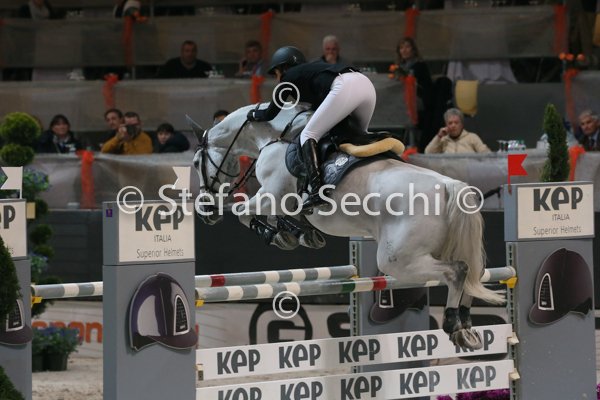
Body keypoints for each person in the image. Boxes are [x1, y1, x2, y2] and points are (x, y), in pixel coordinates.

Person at [247, 46, 375, 210]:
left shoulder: (289, 76)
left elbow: (270, 113)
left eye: (276, 73)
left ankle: (317, 192)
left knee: (308, 135)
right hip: (366, 84)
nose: (277, 78)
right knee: (358, 137)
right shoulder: (311, 73)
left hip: (345, 85)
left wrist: (252, 114)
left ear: (283, 68)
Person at [395, 37, 434, 151]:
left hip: (419, 106)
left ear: (413, 49)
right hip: (402, 104)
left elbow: (425, 89)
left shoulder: (420, 66)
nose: (404, 50)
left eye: (407, 47)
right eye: (401, 47)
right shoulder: (398, 68)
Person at [425, 108, 490, 154]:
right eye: (450, 123)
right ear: (446, 125)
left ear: (461, 125)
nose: (453, 125)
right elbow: (428, 153)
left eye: (456, 122)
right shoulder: (443, 140)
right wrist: (439, 136)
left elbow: (487, 155)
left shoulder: (472, 137)